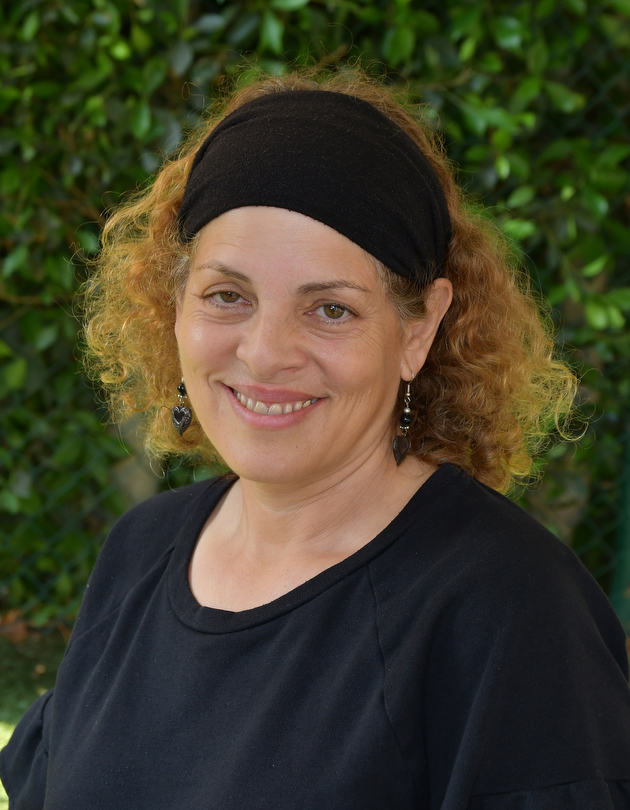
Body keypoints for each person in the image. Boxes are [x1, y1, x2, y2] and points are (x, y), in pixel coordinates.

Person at [2, 68, 630, 810]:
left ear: (418, 330)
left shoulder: (508, 610)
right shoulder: (140, 551)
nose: (266, 352)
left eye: (330, 309)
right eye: (227, 296)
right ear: (175, 305)